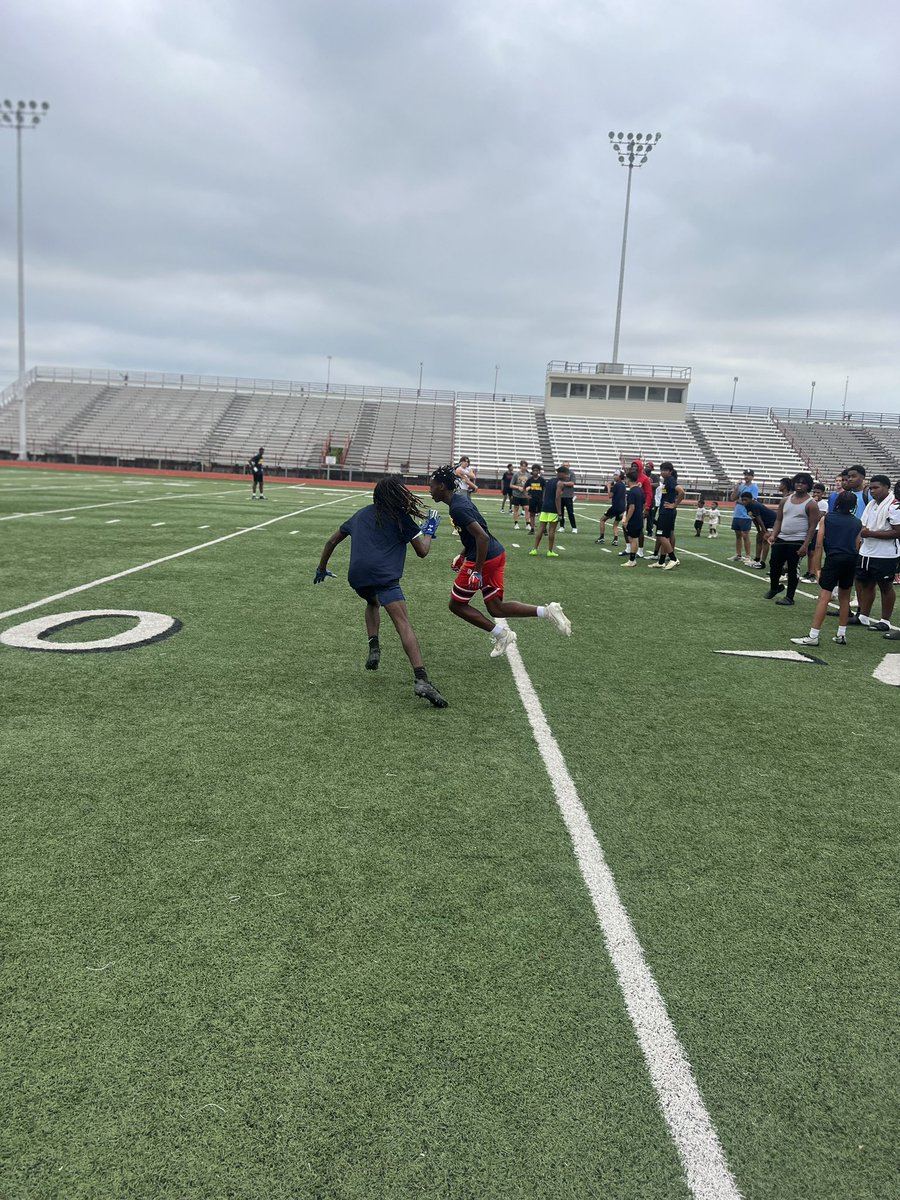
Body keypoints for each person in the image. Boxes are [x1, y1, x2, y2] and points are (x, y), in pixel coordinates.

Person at [314, 476, 448, 707]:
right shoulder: (401, 518)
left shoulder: (361, 513)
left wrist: (321, 568)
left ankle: (373, 646)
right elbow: (423, 551)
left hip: (357, 577)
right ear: (399, 495)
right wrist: (429, 530)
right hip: (384, 577)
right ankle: (421, 679)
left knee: (372, 602)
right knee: (402, 624)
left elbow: (332, 541)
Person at [428, 465, 572, 657]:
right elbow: (479, 533)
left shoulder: (457, 508)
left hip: (484, 559)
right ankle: (547, 612)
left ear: (441, 487)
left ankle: (502, 634)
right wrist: (462, 555)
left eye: (432, 486)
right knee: (496, 608)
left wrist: (477, 571)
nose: (429, 490)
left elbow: (482, 538)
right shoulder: (460, 501)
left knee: (456, 605)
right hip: (495, 554)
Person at [790, 489, 862, 647]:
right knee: (845, 598)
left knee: (824, 597)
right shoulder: (857, 522)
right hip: (851, 559)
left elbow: (819, 544)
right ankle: (841, 634)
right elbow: (857, 545)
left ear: (837, 502)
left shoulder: (827, 518)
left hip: (834, 559)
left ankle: (813, 635)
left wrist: (816, 569)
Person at [851, 474, 900, 631]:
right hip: (867, 551)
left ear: (887, 487)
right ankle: (864, 616)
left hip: (885, 554)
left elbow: (897, 532)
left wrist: (871, 534)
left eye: (876, 487)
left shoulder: (894, 505)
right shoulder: (871, 504)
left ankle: (885, 621)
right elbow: (863, 526)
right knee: (866, 583)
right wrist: (859, 539)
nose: (872, 491)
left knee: (885, 586)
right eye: (871, 488)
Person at [763, 472, 819, 606]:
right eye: (797, 482)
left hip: (797, 541)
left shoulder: (811, 504)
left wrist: (805, 545)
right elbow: (779, 519)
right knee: (775, 566)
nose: (800, 484)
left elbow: (812, 527)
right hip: (782, 538)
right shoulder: (785, 500)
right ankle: (775, 587)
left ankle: (789, 597)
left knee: (792, 569)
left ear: (808, 486)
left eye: (803, 482)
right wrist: (773, 535)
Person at [648, 462, 684, 570]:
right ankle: (661, 561)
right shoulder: (666, 481)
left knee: (661, 536)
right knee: (665, 536)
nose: (663, 472)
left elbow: (681, 491)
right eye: (662, 470)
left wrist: (675, 504)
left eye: (665, 470)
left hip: (667, 512)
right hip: (665, 511)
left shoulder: (671, 481)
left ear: (670, 471)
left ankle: (673, 558)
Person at [530, 465, 565, 557]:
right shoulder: (560, 483)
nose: (566, 476)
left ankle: (534, 549)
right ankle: (550, 551)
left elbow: (545, 494)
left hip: (545, 507)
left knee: (541, 528)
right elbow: (557, 498)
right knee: (552, 530)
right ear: (561, 473)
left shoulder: (549, 481)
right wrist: (560, 513)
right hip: (553, 508)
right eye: (565, 474)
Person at [802, 482, 829, 583]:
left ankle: (813, 573)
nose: (816, 494)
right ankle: (809, 572)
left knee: (813, 552)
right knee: (809, 552)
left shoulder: (823, 503)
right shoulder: (810, 502)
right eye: (815, 492)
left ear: (822, 493)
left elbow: (818, 517)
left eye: (818, 492)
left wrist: (815, 503)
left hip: (817, 529)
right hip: (809, 529)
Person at [744, 494, 778, 569]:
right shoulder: (747, 507)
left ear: (751, 499)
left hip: (772, 522)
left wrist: (764, 530)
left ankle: (762, 563)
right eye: (742, 500)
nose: (744, 502)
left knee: (766, 539)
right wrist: (758, 530)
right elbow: (753, 518)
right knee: (758, 538)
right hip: (766, 523)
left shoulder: (754, 505)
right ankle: (757, 559)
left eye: (745, 500)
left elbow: (759, 519)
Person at [730, 469, 757, 561]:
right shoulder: (740, 486)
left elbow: (752, 501)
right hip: (737, 514)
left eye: (749, 475)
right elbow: (732, 498)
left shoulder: (754, 487)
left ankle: (748, 556)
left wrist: (739, 501)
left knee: (745, 535)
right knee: (738, 535)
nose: (747, 476)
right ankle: (738, 554)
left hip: (746, 514)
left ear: (752, 477)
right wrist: (736, 487)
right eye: (745, 474)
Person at [620, 467, 645, 567]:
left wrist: (626, 520)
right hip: (639, 517)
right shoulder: (640, 490)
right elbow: (643, 504)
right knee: (634, 538)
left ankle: (632, 560)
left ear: (629, 479)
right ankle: (632, 559)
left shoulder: (632, 492)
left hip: (634, 519)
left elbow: (632, 507)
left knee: (632, 539)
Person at [598, 471, 627, 545]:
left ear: (620, 476)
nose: (614, 476)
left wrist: (608, 487)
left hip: (615, 507)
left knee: (602, 520)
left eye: (616, 475)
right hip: (622, 507)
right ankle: (615, 540)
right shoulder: (623, 485)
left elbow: (610, 495)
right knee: (615, 524)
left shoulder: (617, 485)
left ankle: (601, 538)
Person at [510, 459, 531, 530]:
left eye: (525, 466)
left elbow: (531, 484)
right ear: (520, 466)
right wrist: (518, 487)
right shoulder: (516, 474)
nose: (524, 468)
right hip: (516, 494)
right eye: (522, 466)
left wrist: (528, 488)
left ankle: (528, 524)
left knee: (527, 509)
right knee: (516, 508)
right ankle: (516, 523)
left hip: (525, 495)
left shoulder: (529, 475)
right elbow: (511, 485)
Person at [558, 460, 578, 533]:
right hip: (560, 496)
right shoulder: (559, 474)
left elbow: (572, 483)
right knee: (561, 513)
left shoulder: (571, 473)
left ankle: (574, 527)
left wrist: (563, 483)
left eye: (567, 465)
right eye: (564, 465)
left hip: (568, 496)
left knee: (570, 512)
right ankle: (561, 526)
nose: (566, 467)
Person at [525, 464, 545, 535]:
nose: (535, 472)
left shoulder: (542, 480)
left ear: (539, 471)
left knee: (542, 514)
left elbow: (545, 489)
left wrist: (543, 498)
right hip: (532, 499)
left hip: (540, 499)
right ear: (532, 471)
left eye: (537, 470)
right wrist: (526, 495)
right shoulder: (530, 480)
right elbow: (525, 488)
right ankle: (532, 529)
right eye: (534, 470)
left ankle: (544, 529)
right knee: (532, 514)